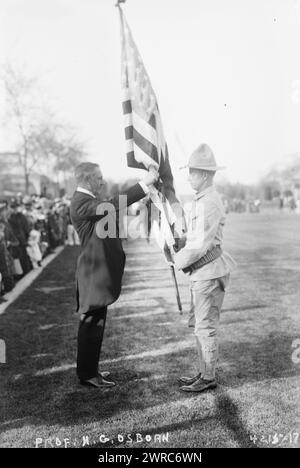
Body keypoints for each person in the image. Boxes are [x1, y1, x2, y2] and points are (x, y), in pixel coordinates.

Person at [70, 161, 159, 389]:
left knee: (95, 326)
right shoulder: (81, 202)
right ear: (88, 179)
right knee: (91, 327)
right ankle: (88, 374)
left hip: (96, 274)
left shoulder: (87, 201)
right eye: (99, 177)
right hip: (93, 274)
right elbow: (111, 205)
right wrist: (144, 184)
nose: (103, 181)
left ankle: (90, 369)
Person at [173, 144, 236, 393]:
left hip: (208, 271)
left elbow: (199, 245)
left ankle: (208, 376)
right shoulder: (204, 200)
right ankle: (203, 371)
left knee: (205, 326)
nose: (189, 177)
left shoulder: (208, 202)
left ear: (206, 175)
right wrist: (180, 242)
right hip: (205, 271)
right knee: (201, 325)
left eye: (193, 172)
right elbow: (196, 239)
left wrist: (177, 259)